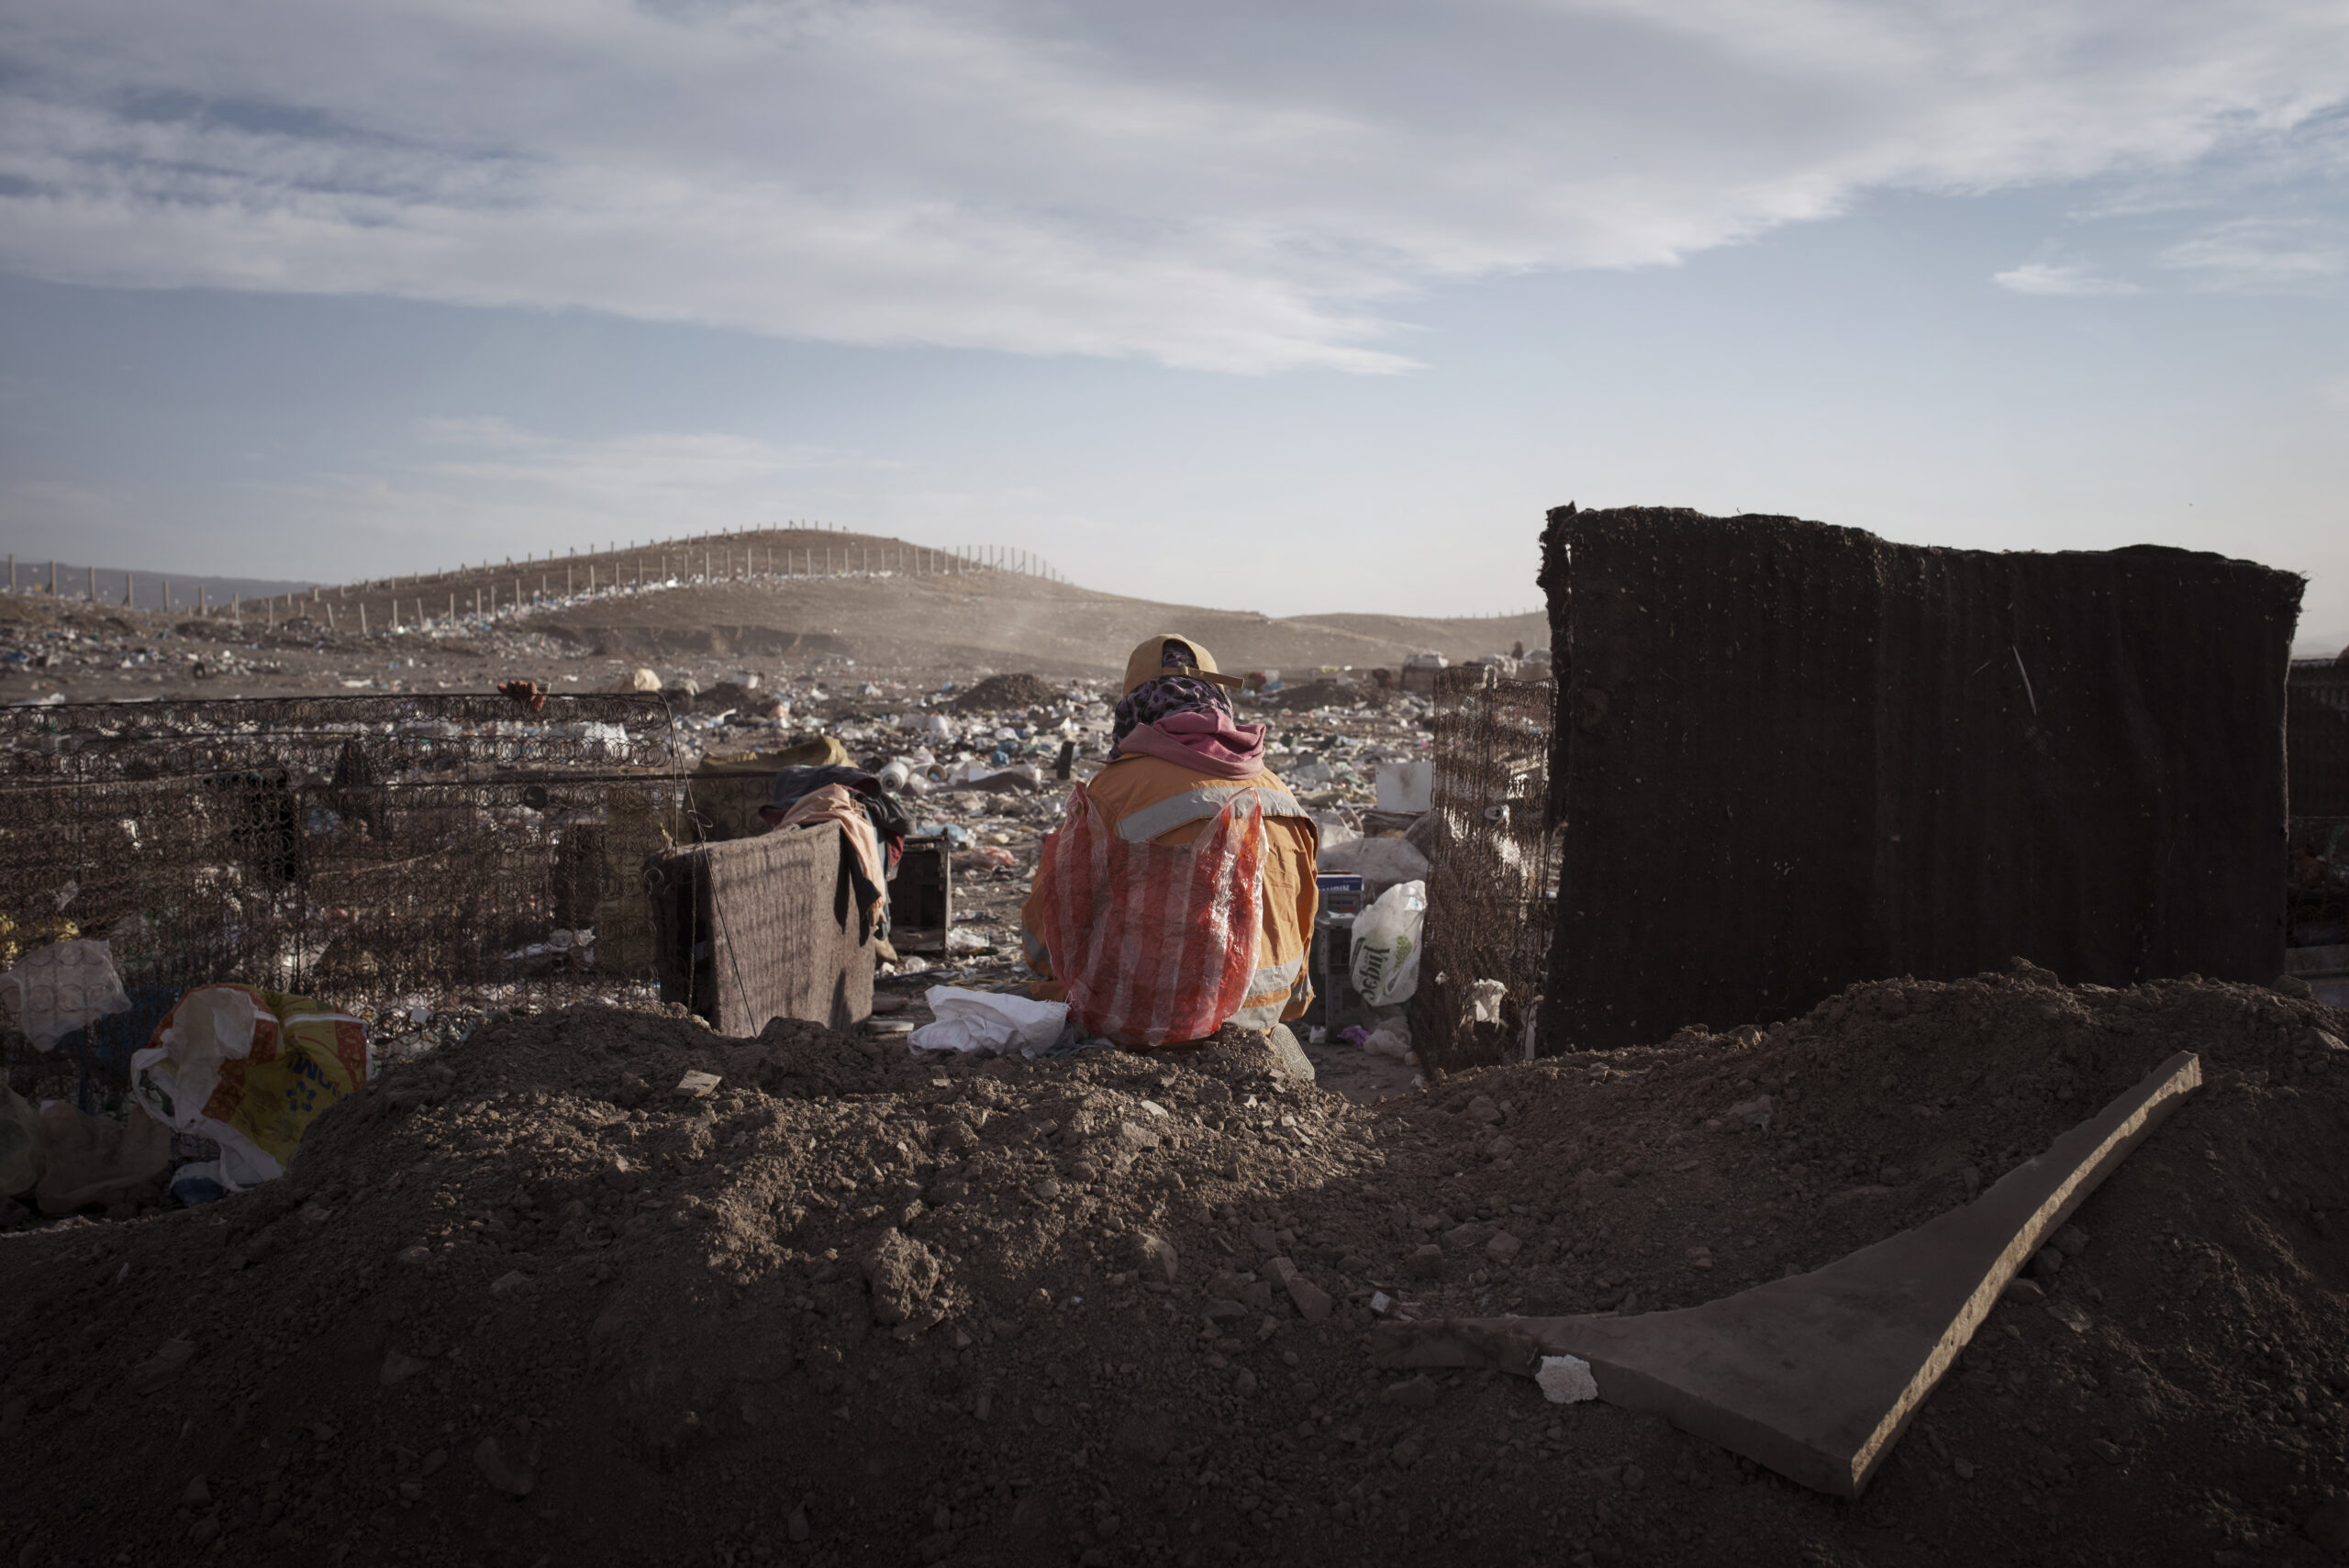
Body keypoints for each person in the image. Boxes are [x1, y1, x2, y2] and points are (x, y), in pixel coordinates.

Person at [1022, 634, 1319, 1064]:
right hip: (1261, 1016)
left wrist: (1054, 986)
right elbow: (1303, 923)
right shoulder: (1279, 791)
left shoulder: (1113, 791)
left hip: (1140, 1026)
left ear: (1135, 703)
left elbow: (1049, 930)